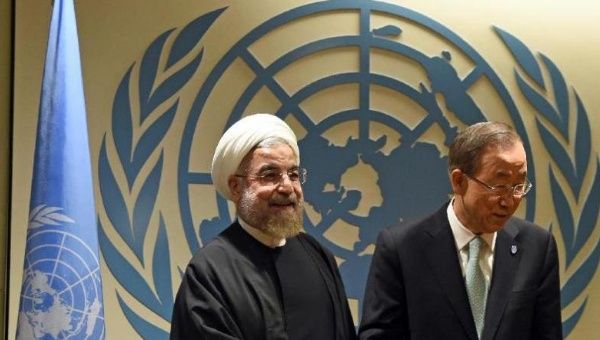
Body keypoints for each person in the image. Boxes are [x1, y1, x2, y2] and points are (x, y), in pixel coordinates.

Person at [359, 122, 561, 339]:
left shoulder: (537, 247)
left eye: (519, 186)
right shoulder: (402, 247)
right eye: (499, 186)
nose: (509, 201)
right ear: (459, 181)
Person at [171, 113, 357, 340]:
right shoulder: (209, 273)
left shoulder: (317, 256)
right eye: (270, 175)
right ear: (236, 187)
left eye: (294, 174)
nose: (288, 187)